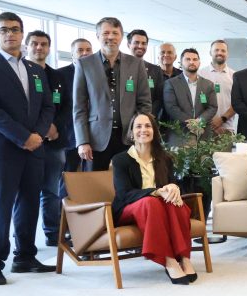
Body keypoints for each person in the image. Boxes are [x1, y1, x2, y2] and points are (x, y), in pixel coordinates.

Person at [0, 12, 56, 285]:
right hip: (3, 151)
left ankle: (25, 257)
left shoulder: (35, 70)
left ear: (22, 33)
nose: (10, 34)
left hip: (34, 149)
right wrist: (23, 137)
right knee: (1, 208)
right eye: (4, 30)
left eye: (15, 29)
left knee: (30, 205)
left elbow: (47, 107)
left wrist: (37, 135)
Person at [111, 113, 198, 284]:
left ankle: (184, 257)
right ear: (131, 132)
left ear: (154, 131)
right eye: (138, 126)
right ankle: (168, 260)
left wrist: (174, 188)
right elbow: (123, 194)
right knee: (151, 202)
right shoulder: (120, 160)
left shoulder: (164, 158)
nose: (143, 130)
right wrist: (156, 192)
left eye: (148, 126)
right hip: (128, 209)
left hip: (157, 207)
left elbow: (171, 183)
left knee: (176, 202)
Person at [73, 17, 152, 171]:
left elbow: (144, 103)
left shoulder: (136, 64)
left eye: (115, 33)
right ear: (98, 36)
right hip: (96, 139)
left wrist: (140, 133)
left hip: (128, 137)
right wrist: (82, 141)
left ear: (121, 37)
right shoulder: (85, 64)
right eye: (106, 33)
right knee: (95, 184)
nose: (110, 37)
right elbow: (79, 107)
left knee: (129, 182)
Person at [23, 30, 67, 249]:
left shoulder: (57, 76)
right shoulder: (19, 72)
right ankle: (24, 243)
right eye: (34, 43)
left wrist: (55, 127)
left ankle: (52, 233)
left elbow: (65, 106)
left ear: (49, 48)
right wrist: (39, 130)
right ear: (27, 46)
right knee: (27, 193)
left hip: (54, 142)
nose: (39, 47)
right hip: (26, 142)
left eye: (43, 44)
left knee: (51, 190)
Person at [162, 48, 218, 145]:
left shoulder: (208, 84)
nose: (192, 62)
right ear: (181, 63)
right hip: (180, 134)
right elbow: (171, 107)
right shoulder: (171, 83)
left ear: (199, 62)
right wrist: (192, 124)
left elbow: (212, 107)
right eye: (188, 59)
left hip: (203, 134)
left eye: (195, 59)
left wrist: (199, 121)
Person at [57, 38, 93, 178]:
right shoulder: (60, 74)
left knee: (91, 177)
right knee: (68, 177)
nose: (85, 53)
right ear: (72, 54)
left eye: (88, 50)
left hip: (94, 135)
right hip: (69, 135)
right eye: (80, 50)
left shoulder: (99, 74)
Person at [200, 39, 238, 136]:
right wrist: (210, 121)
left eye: (223, 50)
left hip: (227, 129)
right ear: (210, 52)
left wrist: (222, 120)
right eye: (216, 50)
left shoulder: (235, 76)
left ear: (227, 54)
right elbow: (198, 101)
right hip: (204, 128)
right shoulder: (200, 74)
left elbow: (237, 103)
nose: (219, 53)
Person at [127, 29, 166, 120]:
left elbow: (159, 98)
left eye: (144, 43)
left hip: (148, 119)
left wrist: (147, 115)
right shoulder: (120, 68)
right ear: (128, 45)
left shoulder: (155, 70)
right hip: (125, 119)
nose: (140, 46)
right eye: (136, 42)